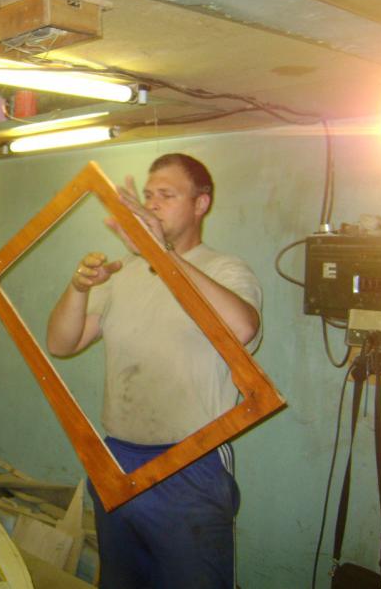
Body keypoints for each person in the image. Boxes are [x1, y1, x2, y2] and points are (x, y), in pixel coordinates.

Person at [46, 153, 263, 589]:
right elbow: (60, 344)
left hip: (191, 462)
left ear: (201, 204)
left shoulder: (224, 269)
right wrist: (79, 287)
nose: (152, 205)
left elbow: (241, 329)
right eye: (148, 195)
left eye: (167, 195)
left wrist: (161, 254)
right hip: (117, 459)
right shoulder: (123, 273)